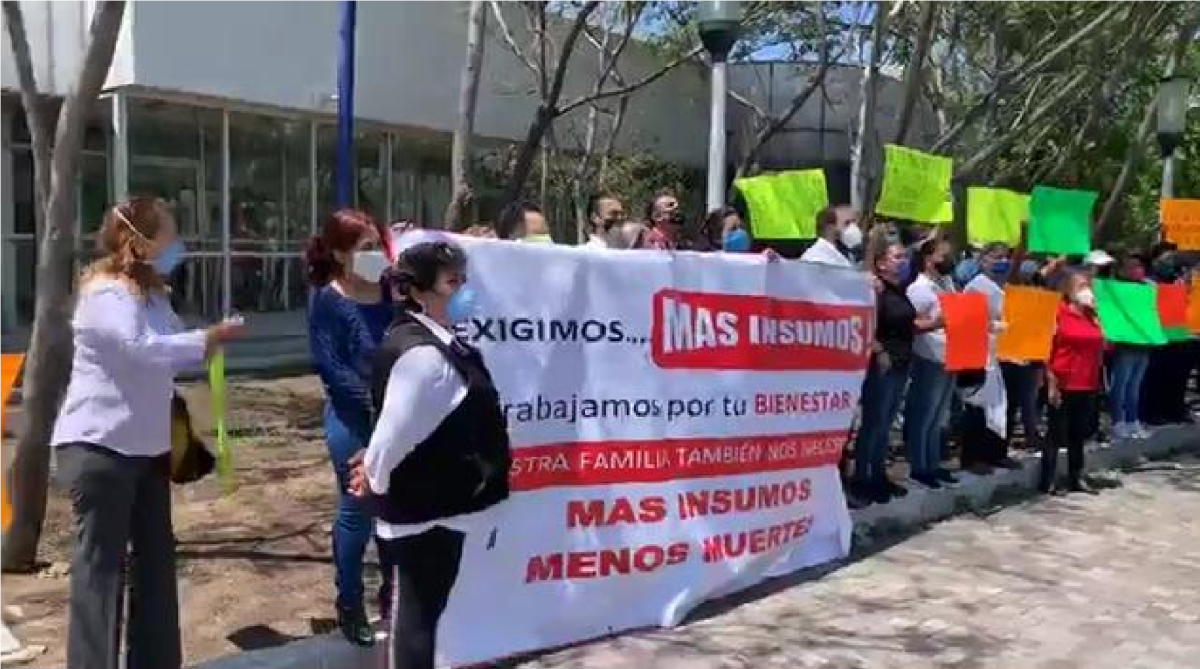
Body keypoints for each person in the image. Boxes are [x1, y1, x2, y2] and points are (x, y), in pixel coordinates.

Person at [51, 197, 246, 669]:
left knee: (156, 565)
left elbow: (170, 352)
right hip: (101, 448)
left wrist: (207, 343)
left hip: (150, 449)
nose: (177, 245)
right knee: (101, 572)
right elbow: (140, 350)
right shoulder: (104, 293)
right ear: (137, 241)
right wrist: (207, 339)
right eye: (169, 235)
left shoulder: (154, 295)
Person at [351, 237, 511, 669]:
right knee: (414, 622)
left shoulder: (445, 342)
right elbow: (392, 435)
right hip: (418, 510)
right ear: (421, 290)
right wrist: (374, 478)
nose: (464, 291)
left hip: (443, 504)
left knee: (428, 614)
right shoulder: (422, 353)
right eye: (452, 282)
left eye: (464, 279)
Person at [304, 209, 397, 645]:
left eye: (380, 244)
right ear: (341, 254)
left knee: (398, 509)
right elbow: (331, 366)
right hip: (352, 419)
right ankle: (350, 603)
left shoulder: (394, 294)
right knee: (358, 511)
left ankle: (394, 596)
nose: (376, 254)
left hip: (398, 417)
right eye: (366, 248)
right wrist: (374, 406)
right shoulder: (328, 299)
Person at [851, 240, 941, 505]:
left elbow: (906, 323)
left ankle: (878, 475)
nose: (902, 262)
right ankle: (863, 477)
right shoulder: (875, 289)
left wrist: (934, 323)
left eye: (904, 257)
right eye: (896, 257)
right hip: (883, 363)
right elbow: (866, 324)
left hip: (901, 362)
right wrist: (879, 351)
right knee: (874, 422)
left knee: (886, 424)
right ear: (881, 262)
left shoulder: (898, 290)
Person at [903, 234, 960, 489]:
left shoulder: (947, 283)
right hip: (930, 357)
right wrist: (938, 323)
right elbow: (912, 324)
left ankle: (933, 463)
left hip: (952, 355)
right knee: (923, 414)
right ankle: (919, 466)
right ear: (928, 258)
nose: (947, 259)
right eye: (942, 255)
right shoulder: (919, 288)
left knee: (938, 416)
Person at [959, 243, 1021, 473]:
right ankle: (974, 458)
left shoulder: (1001, 286)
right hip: (980, 354)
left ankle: (996, 452)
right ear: (983, 259)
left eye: (1005, 257)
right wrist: (998, 326)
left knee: (1001, 405)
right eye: (996, 257)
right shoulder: (977, 286)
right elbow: (971, 319)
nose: (1001, 261)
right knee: (978, 407)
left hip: (1002, 354)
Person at [1041, 271, 1105, 494]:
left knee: (1079, 433)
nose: (1086, 289)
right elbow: (1046, 349)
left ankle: (1076, 476)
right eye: (1081, 285)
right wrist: (1050, 382)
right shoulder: (1058, 313)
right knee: (1056, 432)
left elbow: (1106, 346)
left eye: (1088, 285)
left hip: (1087, 382)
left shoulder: (1092, 316)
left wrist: (1098, 317)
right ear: (1068, 290)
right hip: (1062, 381)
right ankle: (1048, 479)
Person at [1108, 252, 1153, 440]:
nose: (1136, 270)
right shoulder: (1116, 290)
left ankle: (1132, 420)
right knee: (1120, 384)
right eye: (1131, 266)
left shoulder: (1148, 288)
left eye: (1139, 266)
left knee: (1135, 386)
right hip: (1125, 345)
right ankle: (1117, 422)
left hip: (1143, 344)